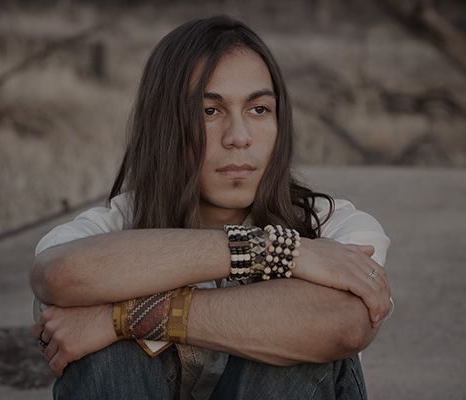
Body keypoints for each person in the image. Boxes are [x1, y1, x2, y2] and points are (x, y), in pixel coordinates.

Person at [30, 15, 391, 400]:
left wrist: (120, 318)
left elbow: (344, 325)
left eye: (259, 110)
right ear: (165, 124)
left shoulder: (333, 226)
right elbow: (59, 276)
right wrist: (272, 250)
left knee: (293, 337)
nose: (239, 137)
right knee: (108, 355)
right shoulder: (112, 228)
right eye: (209, 111)